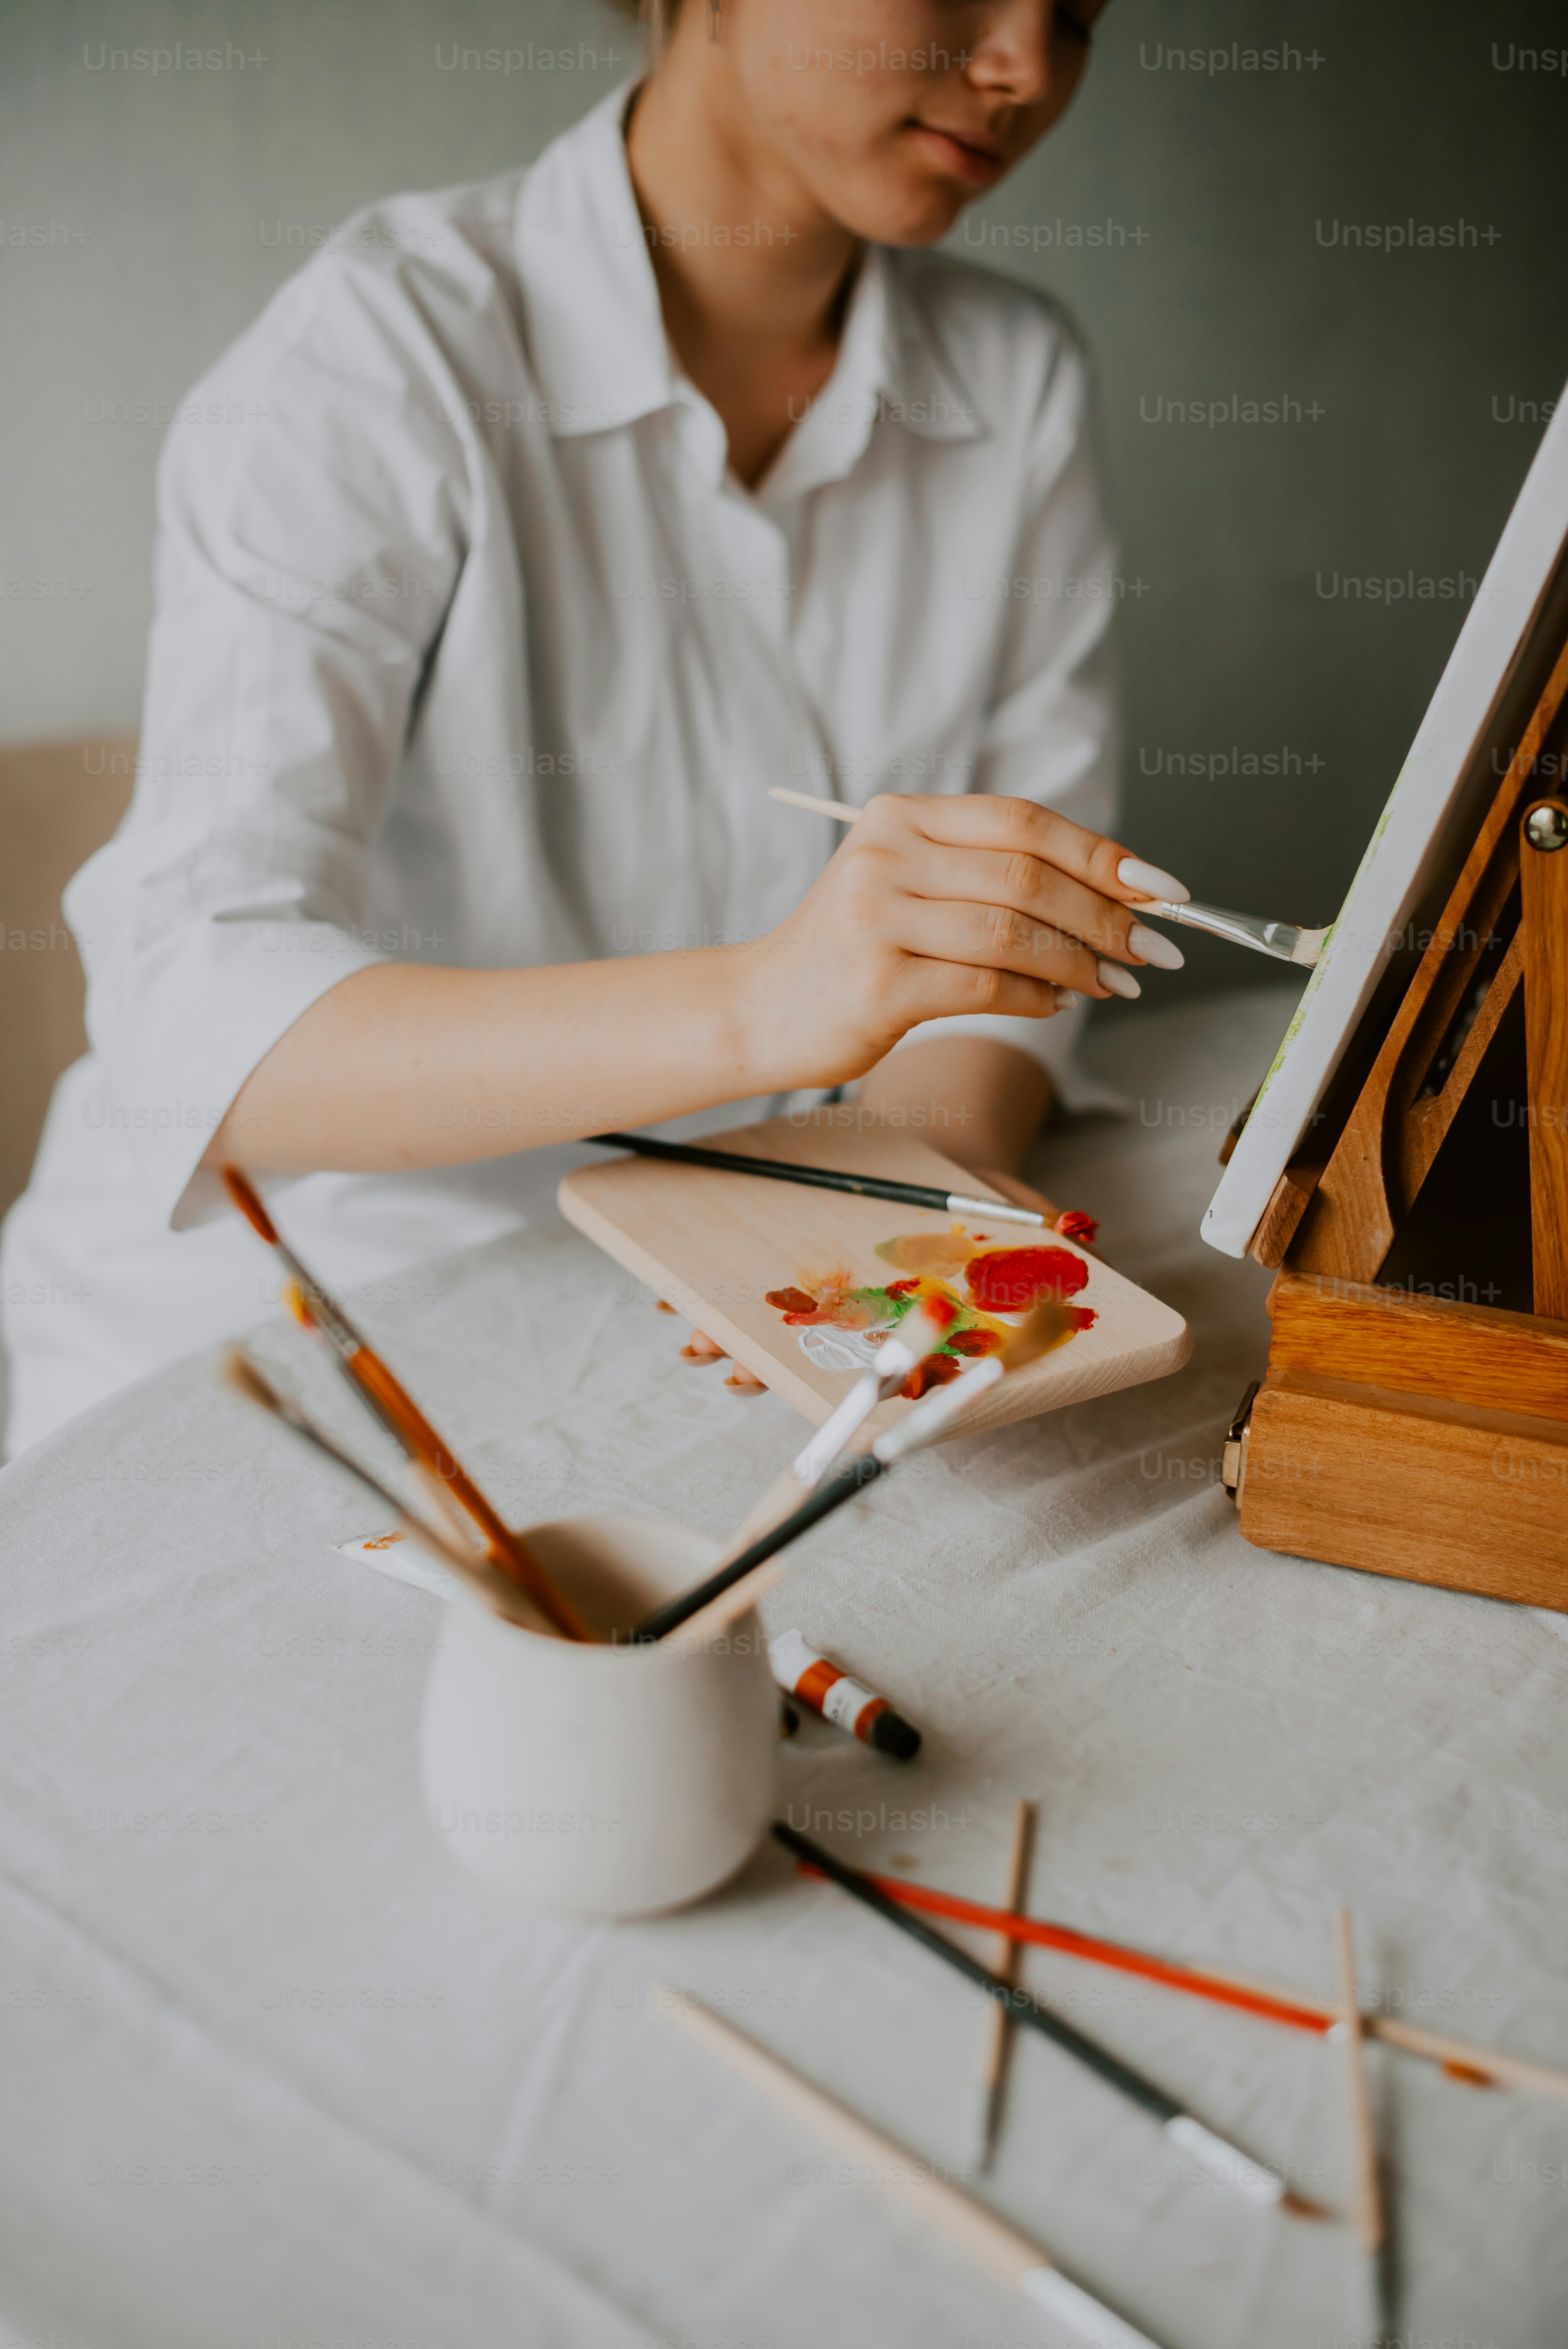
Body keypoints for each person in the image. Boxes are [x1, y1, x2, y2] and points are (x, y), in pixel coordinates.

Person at [1, 0, 1189, 1453]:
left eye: (1077, 16)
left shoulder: (1016, 380)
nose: (1025, 70)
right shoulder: (384, 348)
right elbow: (196, 1019)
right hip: (300, 1317)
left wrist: (900, 1180)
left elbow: (1012, 947)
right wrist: (770, 1003)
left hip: (737, 1296)